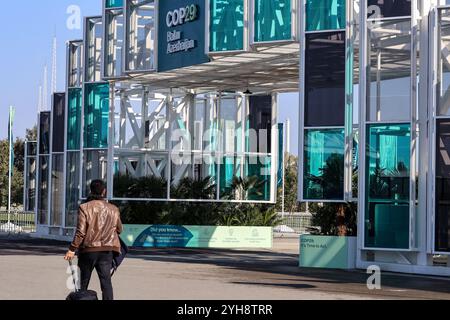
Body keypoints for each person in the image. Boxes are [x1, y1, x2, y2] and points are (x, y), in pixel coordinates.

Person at [64, 180, 123, 300]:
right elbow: (120, 229)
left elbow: (81, 232)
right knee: (106, 282)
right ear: (104, 191)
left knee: (83, 283)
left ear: (91, 191)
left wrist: (72, 249)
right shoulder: (113, 209)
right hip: (107, 250)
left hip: (88, 250)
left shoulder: (84, 207)